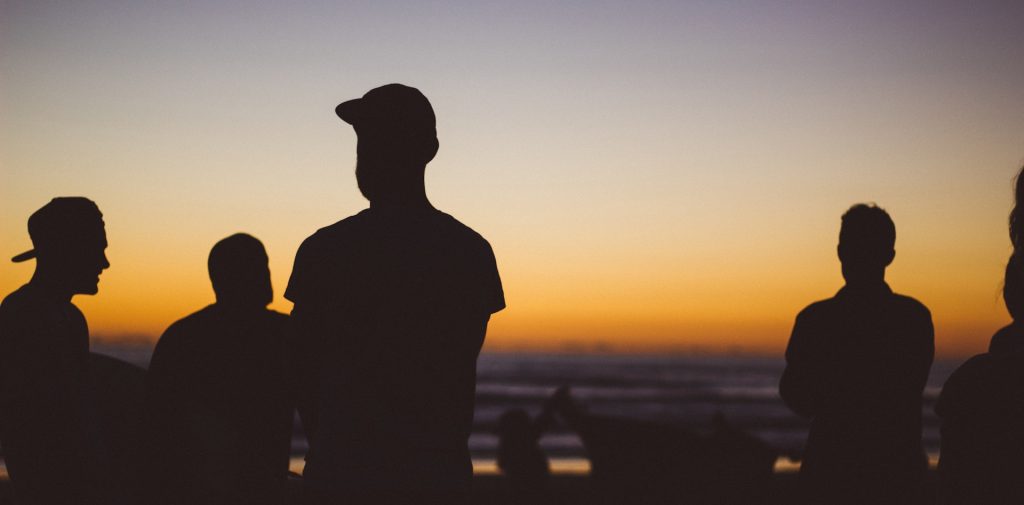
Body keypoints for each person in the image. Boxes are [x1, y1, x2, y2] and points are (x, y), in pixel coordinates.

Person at [286, 83, 505, 504]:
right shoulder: (468, 251)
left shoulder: (324, 250)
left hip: (346, 475)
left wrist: (334, 446)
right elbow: (454, 366)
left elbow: (302, 369)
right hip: (432, 475)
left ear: (427, 149)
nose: (367, 153)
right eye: (363, 139)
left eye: (381, 138)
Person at [779, 203, 934, 505]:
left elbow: (798, 397)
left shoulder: (815, 319)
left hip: (829, 472)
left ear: (840, 252)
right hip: (897, 472)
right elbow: (910, 386)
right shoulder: (913, 318)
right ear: (889, 255)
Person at [141, 233, 293, 505]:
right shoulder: (284, 334)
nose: (266, 276)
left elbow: (153, 427)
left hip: (200, 486)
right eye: (257, 268)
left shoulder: (182, 335)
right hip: (243, 486)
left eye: (264, 266)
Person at [0, 197, 113, 504]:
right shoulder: (24, 314)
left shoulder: (68, 317)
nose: (105, 263)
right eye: (97, 250)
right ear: (69, 252)